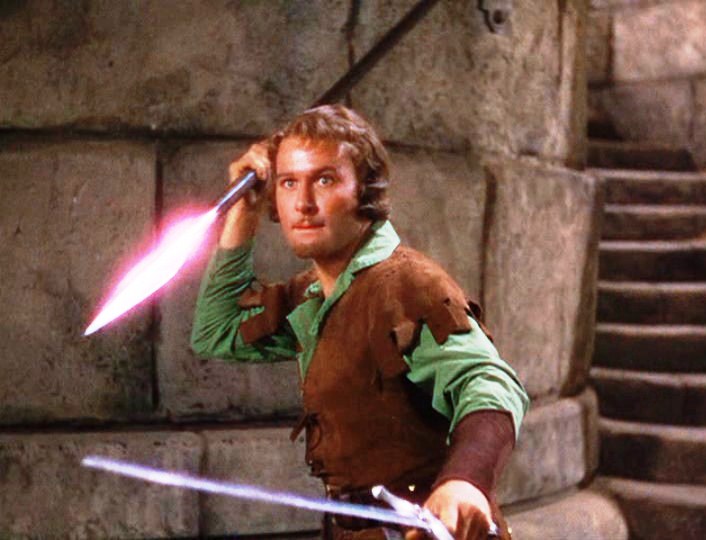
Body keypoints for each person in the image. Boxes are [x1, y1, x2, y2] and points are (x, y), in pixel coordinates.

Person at [191, 104, 529, 540]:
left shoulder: (407, 285)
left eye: (325, 180)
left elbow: (490, 383)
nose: (303, 203)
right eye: (289, 182)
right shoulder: (313, 297)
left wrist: (466, 480)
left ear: (365, 191)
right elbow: (216, 331)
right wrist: (244, 213)